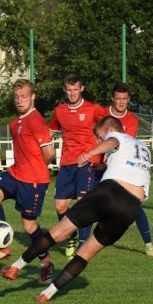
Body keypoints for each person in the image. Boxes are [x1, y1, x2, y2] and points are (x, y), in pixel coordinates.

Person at [0, 115, 152, 303]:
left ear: (110, 129)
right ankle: (48, 293)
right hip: (131, 208)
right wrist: (101, 167)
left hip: (110, 192)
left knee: (58, 233)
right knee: (86, 253)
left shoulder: (117, 137)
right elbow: (127, 167)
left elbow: (111, 142)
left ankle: (15, 266)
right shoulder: (142, 148)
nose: (97, 139)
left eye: (98, 135)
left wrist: (90, 153)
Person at [0, 79, 56, 285]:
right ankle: (1, 246)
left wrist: (40, 178)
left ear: (33, 97)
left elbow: (49, 152)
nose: (20, 100)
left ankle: (46, 263)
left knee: (29, 226)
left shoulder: (36, 120)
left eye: (24, 96)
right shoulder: (15, 123)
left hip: (33, 180)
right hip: (15, 173)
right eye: (17, 97)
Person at [48, 74, 104, 259]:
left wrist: (103, 157)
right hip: (66, 163)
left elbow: (109, 128)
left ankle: (82, 244)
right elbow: (50, 133)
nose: (72, 93)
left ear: (82, 89)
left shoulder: (93, 109)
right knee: (60, 206)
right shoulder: (60, 110)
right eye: (69, 90)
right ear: (64, 90)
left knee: (83, 202)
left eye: (75, 89)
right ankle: (71, 236)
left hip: (88, 162)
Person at [103, 82, 153, 257]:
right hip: (100, 166)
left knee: (135, 205)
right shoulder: (101, 114)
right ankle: (81, 243)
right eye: (118, 98)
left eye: (124, 99)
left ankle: (148, 244)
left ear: (128, 100)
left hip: (122, 169)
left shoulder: (132, 120)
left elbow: (127, 143)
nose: (121, 102)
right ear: (112, 98)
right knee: (90, 201)